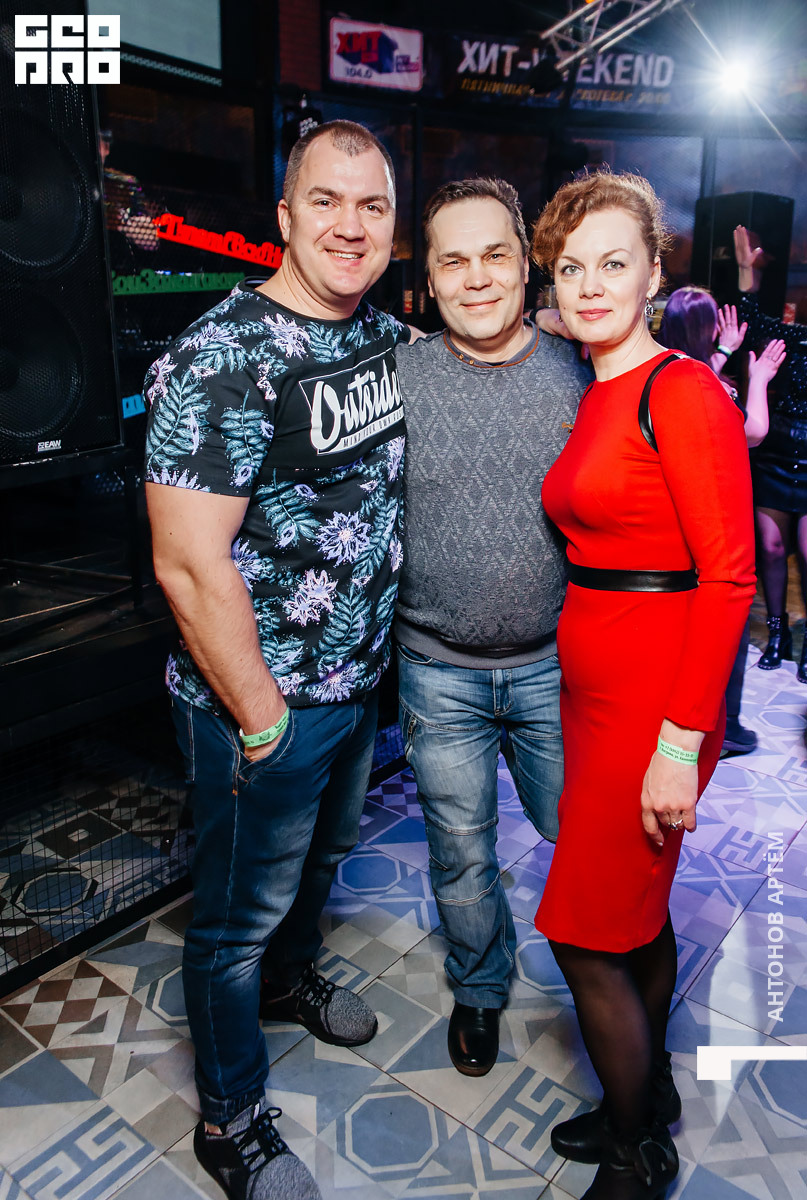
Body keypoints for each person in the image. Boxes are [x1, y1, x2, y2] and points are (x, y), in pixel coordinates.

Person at [144, 120, 408, 1200]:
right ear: (286, 216)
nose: (350, 225)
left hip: (356, 686)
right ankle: (231, 1120)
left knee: (317, 865)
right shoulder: (221, 357)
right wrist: (261, 721)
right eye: (326, 201)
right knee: (233, 922)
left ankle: (293, 980)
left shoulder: (381, 336)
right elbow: (186, 564)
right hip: (260, 704)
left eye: (372, 205)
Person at [530, 173, 755, 1199]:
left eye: (613, 263)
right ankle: (648, 1098)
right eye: (571, 267)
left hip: (651, 708)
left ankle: (634, 1152)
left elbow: (729, 578)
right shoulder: (599, 387)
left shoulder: (683, 392)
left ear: (653, 273)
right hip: (596, 697)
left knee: (581, 934)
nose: (588, 286)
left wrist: (677, 743)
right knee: (638, 915)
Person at [394, 178, 593, 1077]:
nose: (475, 277)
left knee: (583, 842)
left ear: (525, 264)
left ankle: (608, 997)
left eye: (493, 255)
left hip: (559, 667)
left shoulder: (582, 371)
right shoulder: (398, 379)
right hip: (436, 672)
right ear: (429, 279)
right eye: (453, 261)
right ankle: (478, 987)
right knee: (460, 852)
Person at [658, 287, 785, 753]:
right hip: (709, 520)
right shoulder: (707, 384)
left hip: (669, 525)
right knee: (725, 624)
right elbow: (753, 430)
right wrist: (760, 377)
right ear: (706, 329)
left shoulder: (662, 370)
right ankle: (723, 726)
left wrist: (725, 352)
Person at [734, 224, 807, 683]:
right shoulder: (794, 337)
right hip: (777, 455)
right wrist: (747, 272)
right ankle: (778, 634)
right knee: (772, 548)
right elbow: (751, 322)